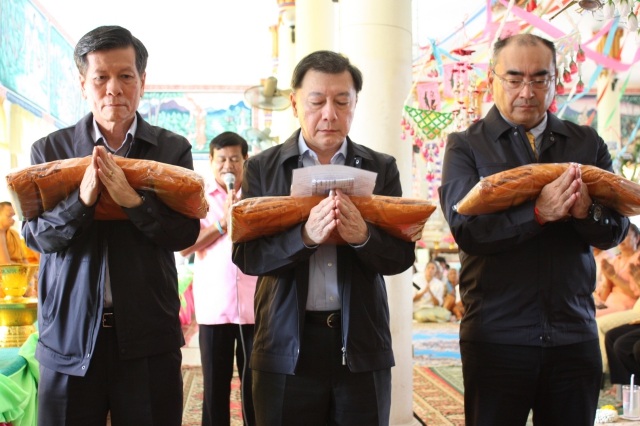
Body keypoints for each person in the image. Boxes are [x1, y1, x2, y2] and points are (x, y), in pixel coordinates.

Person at [439, 34, 629, 426]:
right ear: (492, 79)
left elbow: (615, 230)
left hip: (573, 333)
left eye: (540, 79)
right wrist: (537, 214)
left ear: (556, 80)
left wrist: (584, 212)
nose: (527, 91)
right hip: (496, 336)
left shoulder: (586, 143)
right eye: (514, 79)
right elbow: (466, 231)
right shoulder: (466, 146)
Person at [22, 26, 200, 426]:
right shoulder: (50, 151)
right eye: (101, 77)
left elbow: (185, 234)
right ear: (83, 84)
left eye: (125, 76)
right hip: (67, 339)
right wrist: (82, 201)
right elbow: (36, 236)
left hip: (148, 338)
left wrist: (133, 202)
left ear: (142, 82)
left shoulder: (172, 151)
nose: (113, 89)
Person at [232, 50, 415, 426]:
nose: (329, 114)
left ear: (355, 104)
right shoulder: (262, 169)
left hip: (361, 344)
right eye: (317, 101)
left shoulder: (381, 168)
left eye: (342, 101)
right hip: (284, 346)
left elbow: (400, 256)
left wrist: (363, 237)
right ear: (295, 103)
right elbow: (247, 256)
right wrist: (304, 237)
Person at [179, 132, 257, 426]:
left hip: (253, 307)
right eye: (221, 159)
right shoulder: (198, 199)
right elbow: (185, 245)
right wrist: (224, 222)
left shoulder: (256, 195)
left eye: (235, 159)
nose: (228, 165)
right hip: (214, 307)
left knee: (255, 388)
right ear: (210, 161)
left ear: (245, 160)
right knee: (215, 388)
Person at [596, 224, 640, 317]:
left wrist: (613, 276)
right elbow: (603, 297)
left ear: (637, 238)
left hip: (626, 308)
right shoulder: (614, 261)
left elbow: (636, 295)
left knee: (588, 319)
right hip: (607, 305)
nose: (621, 238)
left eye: (625, 235)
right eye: (619, 235)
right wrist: (608, 278)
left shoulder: (638, 260)